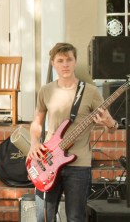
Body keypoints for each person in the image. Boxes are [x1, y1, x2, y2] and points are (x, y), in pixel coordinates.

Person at [28, 42, 118, 222]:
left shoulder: (91, 91)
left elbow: (112, 127)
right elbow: (37, 123)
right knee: (43, 217)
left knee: (76, 217)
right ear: (53, 63)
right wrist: (34, 142)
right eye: (60, 60)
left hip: (79, 165)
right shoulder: (46, 91)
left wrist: (108, 122)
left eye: (69, 59)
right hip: (48, 161)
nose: (65, 64)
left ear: (75, 62)